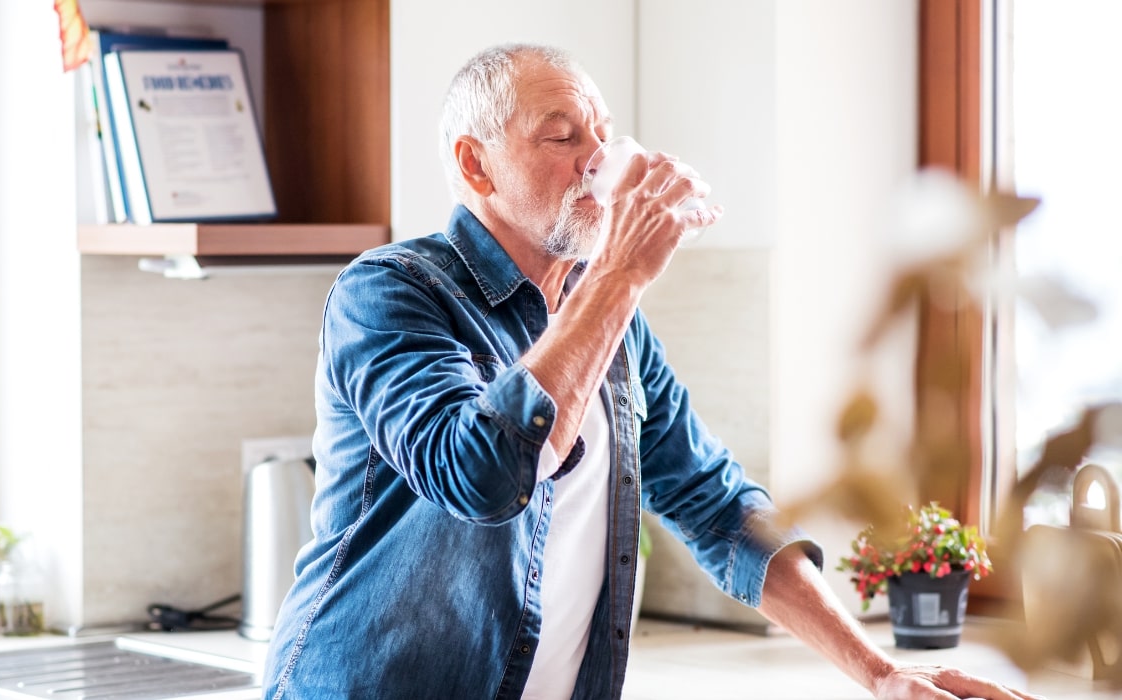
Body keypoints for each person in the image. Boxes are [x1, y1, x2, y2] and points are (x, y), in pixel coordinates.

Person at [262, 43, 1041, 700]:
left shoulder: (613, 322)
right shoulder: (392, 289)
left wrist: (879, 674)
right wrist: (620, 275)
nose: (597, 159)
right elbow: (482, 477)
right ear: (477, 166)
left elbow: (717, 506)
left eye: (601, 133)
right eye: (561, 135)